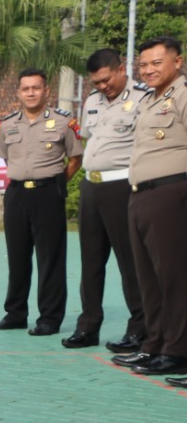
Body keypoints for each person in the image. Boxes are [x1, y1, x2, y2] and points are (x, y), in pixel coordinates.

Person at [0, 68, 83, 336]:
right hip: (16, 194)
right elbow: (8, 159)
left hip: (48, 194)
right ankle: (15, 314)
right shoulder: (8, 125)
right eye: (26, 88)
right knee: (17, 257)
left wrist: (54, 183)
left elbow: (76, 159)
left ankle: (49, 318)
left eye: (36, 88)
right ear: (18, 93)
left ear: (46, 91)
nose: (31, 93)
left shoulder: (64, 123)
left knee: (50, 258)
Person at [67, 49, 147, 353]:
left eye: (106, 80)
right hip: (92, 187)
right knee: (90, 262)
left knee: (130, 262)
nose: (102, 86)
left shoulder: (144, 97)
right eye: (96, 82)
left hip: (123, 187)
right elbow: (89, 138)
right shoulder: (92, 102)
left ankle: (140, 328)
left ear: (121, 68)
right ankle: (88, 327)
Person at [122, 37, 187, 380]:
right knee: (148, 277)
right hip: (141, 195)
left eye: (156, 63)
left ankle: (177, 350)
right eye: (143, 64)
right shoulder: (150, 100)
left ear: (177, 62)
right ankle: (156, 344)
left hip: (170, 193)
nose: (148, 70)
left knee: (174, 277)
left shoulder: (183, 93)